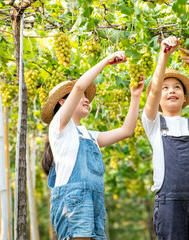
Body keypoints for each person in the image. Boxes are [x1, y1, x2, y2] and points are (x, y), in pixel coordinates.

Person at [40, 51, 144, 240]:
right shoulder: (59, 125)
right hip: (73, 198)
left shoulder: (89, 135)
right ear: (63, 102)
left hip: (94, 200)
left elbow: (127, 131)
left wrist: (135, 96)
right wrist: (106, 60)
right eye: (81, 96)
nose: (87, 99)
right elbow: (79, 86)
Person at [142, 36, 189, 240]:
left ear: (185, 97)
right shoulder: (154, 124)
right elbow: (153, 90)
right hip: (169, 204)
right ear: (158, 100)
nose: (171, 91)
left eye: (177, 87)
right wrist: (163, 56)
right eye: (165, 88)